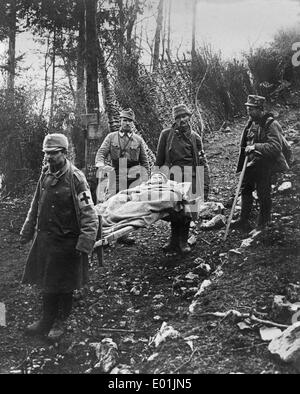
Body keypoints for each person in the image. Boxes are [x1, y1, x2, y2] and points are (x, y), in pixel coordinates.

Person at [20, 133, 99, 338]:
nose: (48, 158)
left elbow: (90, 214)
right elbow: (35, 204)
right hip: (46, 240)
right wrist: (27, 229)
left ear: (64, 153)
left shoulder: (76, 178)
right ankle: (46, 321)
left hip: (67, 243)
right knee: (48, 282)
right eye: (46, 154)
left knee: (64, 285)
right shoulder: (45, 174)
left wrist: (84, 245)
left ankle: (60, 323)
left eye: (53, 154)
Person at [155, 103, 210, 254]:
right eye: (178, 117)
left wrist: (204, 185)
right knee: (173, 210)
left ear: (189, 118)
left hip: (190, 177)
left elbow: (202, 162)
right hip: (172, 178)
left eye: (184, 116)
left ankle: (183, 240)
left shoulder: (195, 137)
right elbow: (159, 160)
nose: (182, 120)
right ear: (174, 119)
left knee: (187, 211)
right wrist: (157, 177)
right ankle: (173, 239)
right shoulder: (166, 135)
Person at [231, 95, 290, 233]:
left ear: (260, 109)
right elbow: (246, 142)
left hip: (266, 164)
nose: (248, 112)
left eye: (251, 109)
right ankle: (243, 220)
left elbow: (275, 147)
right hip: (252, 163)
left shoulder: (271, 124)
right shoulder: (251, 122)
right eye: (247, 109)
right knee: (245, 188)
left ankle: (263, 224)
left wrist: (255, 147)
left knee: (263, 192)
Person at [95, 108, 150, 244]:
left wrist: (146, 180)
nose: (127, 123)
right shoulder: (111, 137)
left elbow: (144, 162)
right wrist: (101, 165)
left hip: (133, 176)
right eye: (124, 120)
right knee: (109, 203)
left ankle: (123, 235)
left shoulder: (138, 140)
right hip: (117, 174)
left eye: (130, 121)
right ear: (120, 121)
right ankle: (102, 234)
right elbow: (101, 153)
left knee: (128, 207)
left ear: (133, 124)